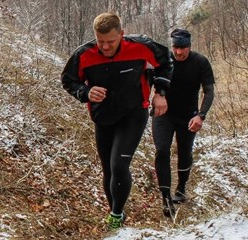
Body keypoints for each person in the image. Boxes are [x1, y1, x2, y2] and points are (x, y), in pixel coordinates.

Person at [61, 12, 173, 230]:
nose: (105, 46)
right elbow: (68, 80)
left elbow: (165, 62)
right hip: (103, 117)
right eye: (100, 41)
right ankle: (117, 218)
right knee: (109, 170)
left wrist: (160, 92)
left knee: (119, 164)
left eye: (110, 41)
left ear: (122, 34)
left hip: (133, 114)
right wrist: (86, 91)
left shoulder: (140, 46)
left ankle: (116, 214)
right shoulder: (84, 54)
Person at [151, 28, 215, 217]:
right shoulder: (163, 61)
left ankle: (181, 188)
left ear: (189, 46)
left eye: (183, 48)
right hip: (163, 114)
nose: (179, 52)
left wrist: (201, 115)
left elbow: (209, 91)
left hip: (188, 115)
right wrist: (154, 97)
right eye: (175, 47)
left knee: (184, 150)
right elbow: (147, 81)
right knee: (162, 150)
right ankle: (165, 197)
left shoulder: (200, 62)